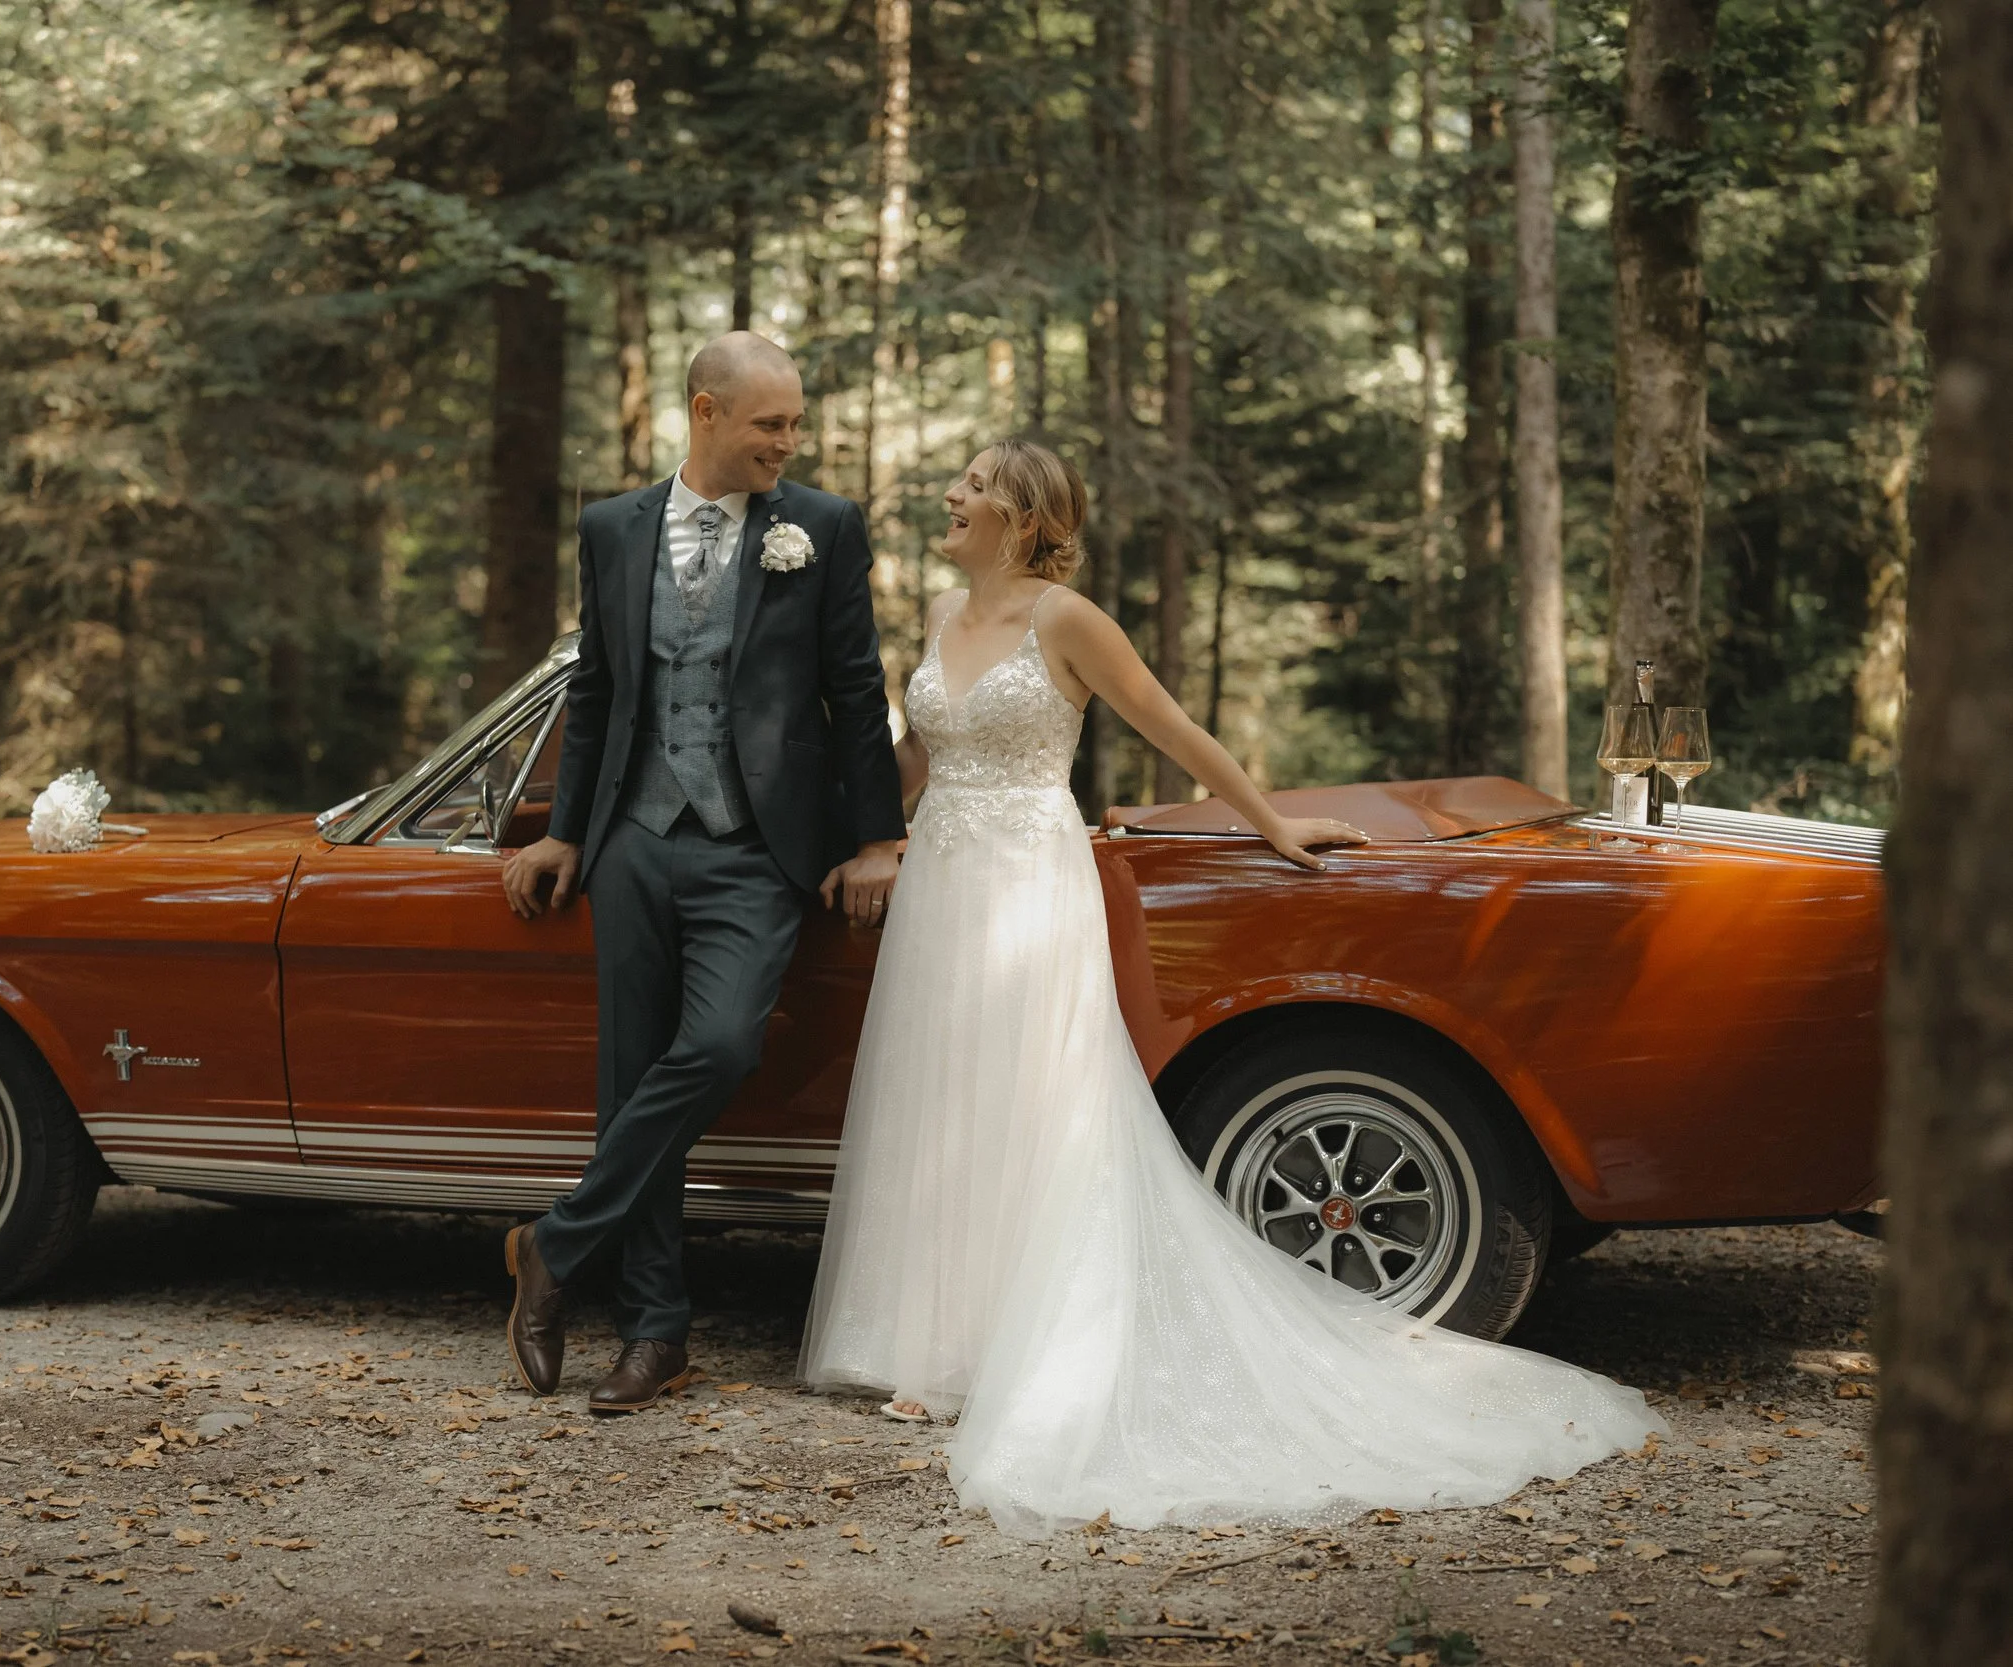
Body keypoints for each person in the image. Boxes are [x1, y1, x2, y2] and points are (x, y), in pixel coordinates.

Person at [798, 438, 1663, 1536]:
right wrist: (869, 840)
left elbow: (1172, 727)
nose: (951, 495)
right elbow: (920, 755)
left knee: (1028, 1101)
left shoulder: (1067, 618)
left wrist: (1272, 821)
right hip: (942, 887)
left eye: (970, 484)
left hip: (1026, 877)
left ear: (1019, 514)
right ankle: (929, 1341)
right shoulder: (936, 615)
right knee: (945, 1100)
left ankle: (1015, 1345)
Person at [499, 332, 906, 1415]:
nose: (789, 440)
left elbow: (854, 690)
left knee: (719, 1044)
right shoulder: (611, 527)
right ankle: (653, 1331)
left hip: (753, 846)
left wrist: (876, 838)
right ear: (706, 410)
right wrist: (567, 831)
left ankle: (552, 1244)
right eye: (770, 421)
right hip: (634, 840)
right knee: (629, 1084)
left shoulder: (819, 528)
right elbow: (596, 692)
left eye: (795, 422)